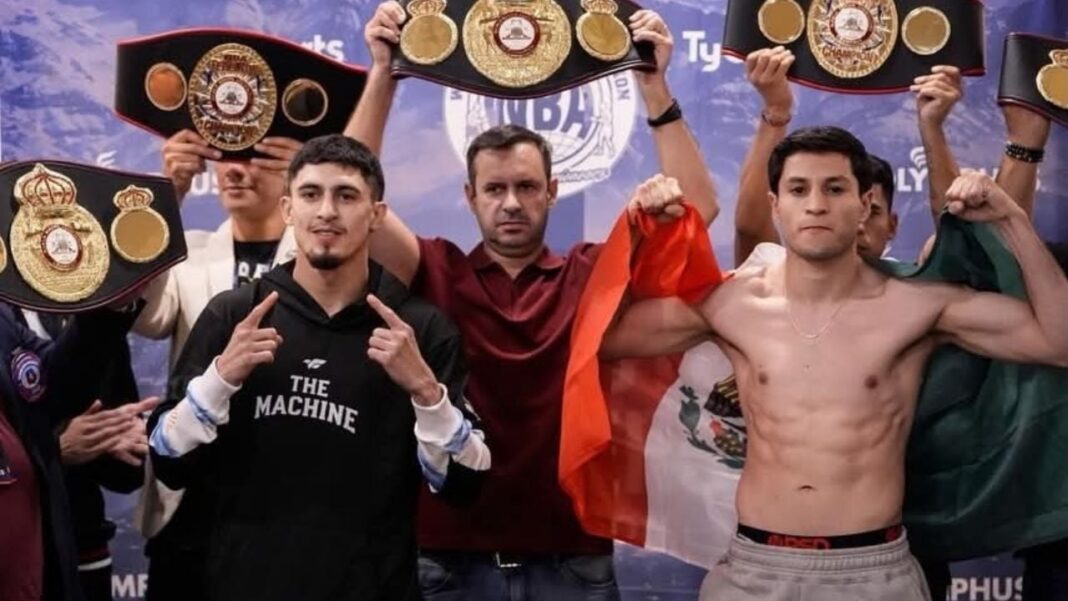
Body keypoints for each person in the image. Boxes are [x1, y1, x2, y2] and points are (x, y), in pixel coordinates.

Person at [345, 2, 719, 598]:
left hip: (572, 557)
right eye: (495, 189)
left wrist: (654, 87)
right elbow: (348, 196)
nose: (511, 203)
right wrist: (383, 75)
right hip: (450, 559)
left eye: (525, 187)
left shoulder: (591, 273)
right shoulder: (434, 267)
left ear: (552, 190)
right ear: (470, 197)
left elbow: (697, 212)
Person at [600, 126, 1068, 601]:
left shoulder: (918, 306)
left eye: (835, 188)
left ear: (866, 204)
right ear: (775, 203)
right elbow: (607, 337)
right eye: (799, 189)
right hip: (754, 570)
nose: (817, 204)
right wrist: (636, 231)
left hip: (873, 572)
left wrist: (1010, 219)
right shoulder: (732, 303)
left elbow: (1058, 342)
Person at [147, 134, 489, 601]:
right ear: (289, 210)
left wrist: (429, 396)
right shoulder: (233, 316)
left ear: (376, 215)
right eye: (311, 194)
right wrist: (219, 380)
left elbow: (465, 486)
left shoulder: (420, 330)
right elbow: (168, 461)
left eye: (346, 195)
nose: (327, 211)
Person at [133, 131, 301, 601]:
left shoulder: (322, 259)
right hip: (193, 506)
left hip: (286, 502)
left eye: (255, 156)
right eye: (225, 156)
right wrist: (167, 196)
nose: (235, 169)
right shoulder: (188, 254)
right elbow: (147, 317)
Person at [0, 301, 151, 601]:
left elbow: (54, 384)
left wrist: (113, 306)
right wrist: (57, 448)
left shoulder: (3, 319)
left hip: (53, 558)